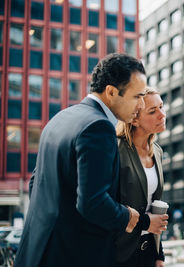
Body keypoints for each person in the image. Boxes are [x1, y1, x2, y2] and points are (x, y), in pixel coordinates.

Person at [14, 53, 147, 267]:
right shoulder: (99, 127)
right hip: (71, 256)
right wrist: (126, 216)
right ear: (111, 92)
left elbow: (35, 184)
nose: (141, 105)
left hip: (36, 252)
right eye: (137, 96)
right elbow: (92, 203)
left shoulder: (60, 118)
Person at [115, 87, 168, 267]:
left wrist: (159, 254)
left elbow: (155, 206)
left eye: (161, 107)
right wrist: (145, 223)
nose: (162, 114)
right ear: (134, 118)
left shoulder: (158, 152)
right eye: (153, 111)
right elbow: (108, 204)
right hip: (120, 254)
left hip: (148, 252)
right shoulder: (116, 149)